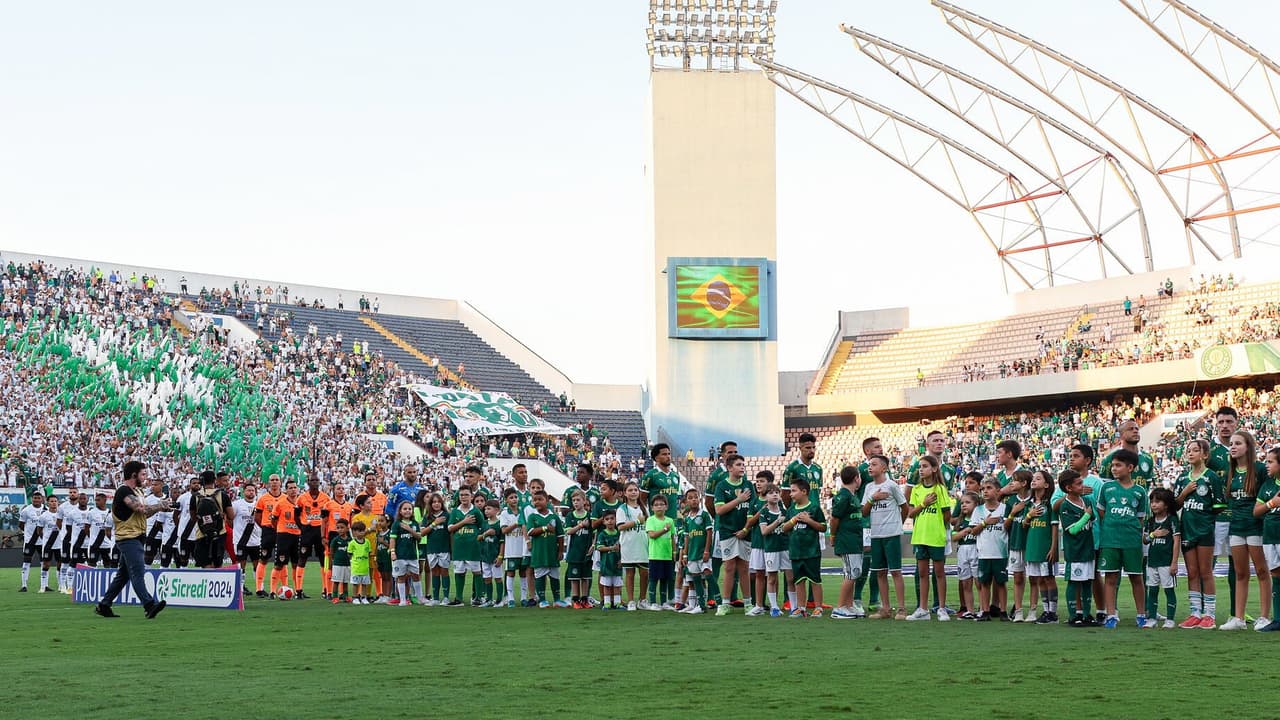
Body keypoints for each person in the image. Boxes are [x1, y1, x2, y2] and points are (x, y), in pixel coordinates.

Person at [94, 461, 172, 619]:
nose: (145, 477)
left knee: (123, 575)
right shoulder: (124, 491)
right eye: (143, 474)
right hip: (129, 538)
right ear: (134, 475)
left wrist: (160, 507)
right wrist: (160, 505)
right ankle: (149, 605)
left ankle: (104, 605)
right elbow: (141, 509)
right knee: (138, 572)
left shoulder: (137, 492)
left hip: (135, 536)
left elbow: (143, 513)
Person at [1222, 430, 1269, 630]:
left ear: (1248, 447)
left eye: (1238, 443)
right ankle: (1238, 618)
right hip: (1236, 527)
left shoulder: (1259, 469)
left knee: (1261, 571)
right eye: (1231, 443)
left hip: (1256, 527)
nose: (1233, 446)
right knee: (1240, 573)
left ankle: (1264, 616)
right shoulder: (1231, 470)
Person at [1096, 449, 1148, 629]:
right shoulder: (1107, 488)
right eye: (1113, 465)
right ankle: (1111, 615)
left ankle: (1141, 614)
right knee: (1110, 577)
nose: (1114, 469)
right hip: (1110, 540)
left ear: (1130, 467)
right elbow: (1102, 512)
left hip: (1132, 541)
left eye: (1118, 465)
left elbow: (1140, 518)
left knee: (1136, 577)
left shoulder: (1140, 491)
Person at [1176, 439, 1223, 628]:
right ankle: (1195, 612)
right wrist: (1185, 492)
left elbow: (1218, 506)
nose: (1190, 453)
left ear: (1204, 455)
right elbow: (1175, 504)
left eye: (1195, 450)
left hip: (1204, 530)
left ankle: (1209, 614)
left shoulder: (1211, 477)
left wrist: (1204, 519)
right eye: (1188, 450)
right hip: (1187, 529)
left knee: (1205, 572)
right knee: (1192, 572)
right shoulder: (1182, 479)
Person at [862, 454, 907, 620]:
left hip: (892, 534)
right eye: (869, 464)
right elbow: (864, 512)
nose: (870, 467)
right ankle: (886, 608)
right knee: (880, 572)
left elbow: (905, 507)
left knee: (895, 571)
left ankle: (901, 608)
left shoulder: (892, 486)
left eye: (874, 464)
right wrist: (873, 499)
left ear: (884, 468)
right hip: (876, 535)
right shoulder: (868, 488)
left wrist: (898, 524)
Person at [906, 455, 951, 621]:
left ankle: (941, 608)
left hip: (936, 537)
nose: (921, 469)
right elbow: (910, 513)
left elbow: (947, 514)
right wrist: (924, 504)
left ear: (934, 469)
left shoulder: (940, 489)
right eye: (920, 466)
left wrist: (936, 526)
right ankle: (923, 609)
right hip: (919, 536)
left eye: (925, 466)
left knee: (939, 573)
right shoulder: (916, 490)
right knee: (923, 573)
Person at [713, 454, 755, 616]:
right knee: (729, 567)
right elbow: (719, 510)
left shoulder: (748, 485)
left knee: (744, 567)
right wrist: (739, 500)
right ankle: (724, 604)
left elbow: (752, 510)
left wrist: (746, 529)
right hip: (727, 532)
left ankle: (748, 604)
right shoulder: (722, 486)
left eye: (743, 464)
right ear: (729, 468)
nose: (742, 467)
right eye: (738, 464)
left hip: (745, 532)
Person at [782, 478, 826, 619]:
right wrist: (794, 520)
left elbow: (823, 527)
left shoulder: (814, 508)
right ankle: (801, 608)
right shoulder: (791, 510)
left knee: (815, 580)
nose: (790, 494)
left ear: (804, 491)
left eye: (794, 491)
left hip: (811, 552)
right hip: (796, 552)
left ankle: (818, 607)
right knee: (798, 581)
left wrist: (809, 521)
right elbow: (784, 528)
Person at [1058, 469, 1097, 627]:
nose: (1083, 486)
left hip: (1088, 549)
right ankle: (1074, 615)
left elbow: (1092, 519)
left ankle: (1086, 614)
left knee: (1088, 582)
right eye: (1079, 483)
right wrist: (1086, 515)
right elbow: (1073, 530)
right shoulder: (1065, 506)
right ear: (1069, 488)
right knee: (1074, 582)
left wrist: (1088, 515)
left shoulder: (1086, 501)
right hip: (1075, 551)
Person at [971, 478, 1009, 621]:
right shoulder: (978, 510)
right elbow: (973, 531)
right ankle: (985, 610)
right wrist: (984, 523)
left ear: (998, 491)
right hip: (984, 553)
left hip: (1000, 552)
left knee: (1001, 582)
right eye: (983, 489)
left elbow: (1008, 528)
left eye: (989, 488)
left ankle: (1003, 611)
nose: (985, 491)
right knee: (984, 582)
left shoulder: (1004, 509)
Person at [830, 466, 864, 619]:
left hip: (854, 540)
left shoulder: (852, 495)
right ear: (856, 478)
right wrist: (833, 535)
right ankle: (840, 607)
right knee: (852, 573)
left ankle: (849, 605)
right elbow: (835, 518)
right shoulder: (843, 496)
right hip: (847, 540)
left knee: (853, 573)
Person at [1143, 488, 1180, 629]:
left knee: (1168, 590)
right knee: (1152, 590)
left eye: (1157, 502)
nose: (1153, 504)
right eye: (1152, 501)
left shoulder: (1172, 520)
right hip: (1152, 561)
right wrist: (1153, 534)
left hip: (1166, 561)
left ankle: (1170, 619)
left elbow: (1176, 541)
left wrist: (1174, 562)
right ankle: (1152, 618)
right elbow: (1145, 540)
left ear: (1166, 505)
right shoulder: (1150, 521)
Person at [1253, 447, 1280, 632]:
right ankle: (1278, 619)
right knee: (1276, 576)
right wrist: (1272, 503)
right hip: (1270, 538)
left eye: (1270, 462)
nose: (1266, 465)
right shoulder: (1268, 485)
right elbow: (1256, 511)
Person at [752, 483, 789, 617]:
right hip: (771, 549)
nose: (775, 495)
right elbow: (764, 531)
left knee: (790, 578)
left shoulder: (785, 511)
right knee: (771, 578)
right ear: (765, 496)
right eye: (771, 493)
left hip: (785, 547)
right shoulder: (764, 512)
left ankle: (795, 606)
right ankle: (774, 607)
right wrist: (778, 522)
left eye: (777, 493)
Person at [1002, 470, 1033, 622]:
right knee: (1018, 578)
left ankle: (1033, 610)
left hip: (1031, 544)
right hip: (1015, 544)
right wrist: (1012, 513)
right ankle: (1018, 611)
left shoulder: (1033, 500)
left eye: (1014, 481)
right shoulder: (1011, 501)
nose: (1011, 484)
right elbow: (1005, 526)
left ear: (1024, 483)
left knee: (1034, 578)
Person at [526, 490, 565, 608]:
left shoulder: (554, 517)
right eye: (535, 500)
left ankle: (557, 600)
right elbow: (531, 532)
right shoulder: (533, 517)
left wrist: (560, 551)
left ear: (547, 501)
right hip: (539, 552)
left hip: (552, 552)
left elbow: (560, 536)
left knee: (554, 576)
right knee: (540, 576)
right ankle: (542, 600)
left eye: (540, 499)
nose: (537, 502)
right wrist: (545, 528)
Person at [448, 486, 486, 607]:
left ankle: (478, 597)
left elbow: (482, 527)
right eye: (461, 495)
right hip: (459, 547)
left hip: (473, 547)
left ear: (471, 496)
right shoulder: (455, 511)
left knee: (477, 571)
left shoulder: (476, 511)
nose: (464, 497)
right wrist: (464, 522)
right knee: (459, 572)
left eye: (466, 495)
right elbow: (450, 528)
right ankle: (458, 598)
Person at [294, 475, 332, 599]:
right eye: (312, 480)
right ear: (308, 482)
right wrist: (302, 528)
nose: (314, 482)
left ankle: (326, 589)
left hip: (320, 531)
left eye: (316, 480)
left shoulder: (326, 498)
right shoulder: (301, 498)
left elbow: (327, 518)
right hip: (307, 531)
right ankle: (298, 590)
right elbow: (296, 515)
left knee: (323, 560)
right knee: (302, 559)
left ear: (319, 482)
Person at [678, 489, 712, 615]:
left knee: (702, 580)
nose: (693, 500)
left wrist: (707, 551)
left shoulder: (704, 515)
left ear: (700, 499)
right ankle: (692, 605)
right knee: (691, 580)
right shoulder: (687, 519)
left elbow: (709, 533)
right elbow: (687, 538)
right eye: (690, 498)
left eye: (695, 497)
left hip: (701, 553)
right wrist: (685, 554)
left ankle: (701, 604)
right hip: (691, 555)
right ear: (686, 501)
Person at [191, 470, 234, 569]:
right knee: (217, 564)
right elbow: (231, 516)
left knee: (205, 564)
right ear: (214, 480)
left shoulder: (195, 496)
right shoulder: (222, 495)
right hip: (219, 533)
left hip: (201, 533)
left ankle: (206, 583)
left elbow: (193, 518)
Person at [267, 480, 303, 599]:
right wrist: (280, 528)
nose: (293, 490)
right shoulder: (280, 504)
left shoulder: (301, 503)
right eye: (290, 488)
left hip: (297, 535)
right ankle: (272, 591)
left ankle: (298, 591)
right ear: (286, 490)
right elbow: (273, 520)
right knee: (279, 564)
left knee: (296, 564)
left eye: (294, 487)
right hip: (283, 536)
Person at [617, 480, 649, 611]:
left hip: (643, 545)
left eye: (635, 490)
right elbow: (620, 527)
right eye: (630, 490)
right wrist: (636, 522)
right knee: (630, 573)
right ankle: (631, 601)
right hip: (628, 545)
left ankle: (642, 599)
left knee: (645, 573)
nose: (633, 492)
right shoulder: (622, 508)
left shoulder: (644, 508)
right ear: (625, 493)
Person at [252, 475, 285, 598]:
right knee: (264, 558)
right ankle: (259, 588)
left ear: (280, 482)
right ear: (268, 483)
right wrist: (265, 526)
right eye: (272, 480)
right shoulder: (263, 499)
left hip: (282, 531)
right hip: (268, 531)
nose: (274, 482)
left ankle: (283, 587)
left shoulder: (285, 498)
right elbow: (257, 516)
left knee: (282, 559)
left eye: (277, 480)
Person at [388, 500, 425, 607]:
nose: (407, 511)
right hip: (400, 556)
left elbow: (419, 538)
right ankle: (403, 599)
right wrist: (393, 552)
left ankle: (420, 598)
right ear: (400, 511)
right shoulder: (396, 524)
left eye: (409, 509)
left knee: (416, 576)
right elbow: (392, 539)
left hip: (412, 555)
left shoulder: (414, 524)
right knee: (401, 577)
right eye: (405, 509)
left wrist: (410, 530)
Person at [644, 495, 676, 610]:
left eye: (661, 504)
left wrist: (674, 551)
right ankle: (652, 602)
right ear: (652, 508)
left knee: (665, 579)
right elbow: (652, 535)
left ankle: (664, 602)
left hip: (667, 555)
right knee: (653, 579)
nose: (659, 507)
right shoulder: (650, 520)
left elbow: (672, 537)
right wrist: (664, 529)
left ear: (666, 506)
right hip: (655, 555)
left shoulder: (670, 521)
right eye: (656, 505)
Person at [952, 492, 981, 619]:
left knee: (979, 582)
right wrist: (964, 531)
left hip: (976, 550)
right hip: (962, 551)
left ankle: (982, 608)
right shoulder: (961, 521)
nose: (964, 505)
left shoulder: (979, 519)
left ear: (976, 504)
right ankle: (970, 610)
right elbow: (953, 537)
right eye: (962, 503)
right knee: (965, 583)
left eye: (968, 502)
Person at [564, 490, 594, 609]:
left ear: (584, 501)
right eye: (574, 500)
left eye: (578, 500)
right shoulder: (570, 516)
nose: (576, 503)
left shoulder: (590, 516)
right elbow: (569, 531)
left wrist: (593, 545)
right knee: (574, 578)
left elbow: (594, 532)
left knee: (585, 577)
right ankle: (575, 600)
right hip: (574, 552)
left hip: (586, 552)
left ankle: (585, 599)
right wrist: (580, 525)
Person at [499, 488, 529, 608]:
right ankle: (510, 598)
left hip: (522, 549)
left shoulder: (523, 511)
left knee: (523, 573)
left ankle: (523, 597)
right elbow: (504, 530)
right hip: (511, 550)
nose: (514, 499)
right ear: (506, 500)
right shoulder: (505, 513)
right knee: (510, 573)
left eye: (515, 497)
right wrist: (516, 524)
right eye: (511, 498)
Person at [231, 483, 262, 594]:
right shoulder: (236, 504)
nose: (251, 492)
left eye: (253, 490)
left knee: (257, 565)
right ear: (244, 492)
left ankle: (260, 589)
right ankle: (240, 588)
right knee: (241, 565)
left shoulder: (259, 504)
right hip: (241, 540)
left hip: (256, 540)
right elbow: (229, 519)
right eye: (248, 490)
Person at [422, 493, 451, 605]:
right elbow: (422, 533)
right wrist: (434, 523)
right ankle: (435, 598)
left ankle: (446, 597)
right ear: (430, 504)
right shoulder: (428, 516)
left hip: (444, 547)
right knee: (434, 572)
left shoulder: (447, 515)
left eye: (438, 502)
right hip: (431, 548)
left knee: (444, 571)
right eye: (434, 502)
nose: (436, 504)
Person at [640, 444, 682, 515]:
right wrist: (646, 515)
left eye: (669, 454)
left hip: (672, 520)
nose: (668, 456)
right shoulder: (650, 475)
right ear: (656, 458)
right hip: (656, 520)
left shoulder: (676, 475)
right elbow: (642, 500)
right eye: (664, 454)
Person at [18, 490, 45, 592]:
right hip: (30, 541)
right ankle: (24, 585)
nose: (36, 500)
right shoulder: (26, 510)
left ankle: (44, 585)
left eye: (38, 498)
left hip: (43, 541)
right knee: (26, 562)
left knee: (44, 563)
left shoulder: (46, 509)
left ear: (41, 499)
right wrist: (27, 533)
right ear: (32, 499)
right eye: (35, 498)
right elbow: (21, 524)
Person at [596, 511, 624, 610]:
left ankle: (617, 603)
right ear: (603, 522)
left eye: (612, 518)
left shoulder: (620, 533)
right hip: (606, 564)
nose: (610, 521)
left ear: (616, 520)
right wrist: (611, 548)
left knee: (617, 585)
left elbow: (623, 547)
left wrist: (622, 559)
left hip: (617, 564)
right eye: (607, 519)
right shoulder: (602, 534)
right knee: (607, 585)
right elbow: (599, 547)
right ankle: (607, 603)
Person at [479, 500, 503, 608]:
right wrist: (486, 534)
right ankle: (489, 599)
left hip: (495, 556)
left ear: (497, 510)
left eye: (489, 508)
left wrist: (500, 556)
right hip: (485, 556)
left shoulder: (499, 524)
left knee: (497, 578)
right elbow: (478, 538)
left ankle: (499, 600)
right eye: (485, 509)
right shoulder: (484, 524)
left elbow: (502, 542)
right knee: (487, 578)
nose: (486, 511)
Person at [347, 520, 374, 604]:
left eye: (362, 531)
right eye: (359, 531)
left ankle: (364, 597)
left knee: (364, 584)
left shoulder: (367, 542)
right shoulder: (352, 543)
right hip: (356, 568)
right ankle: (355, 597)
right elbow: (349, 554)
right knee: (355, 584)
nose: (361, 533)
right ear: (354, 532)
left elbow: (369, 553)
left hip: (365, 568)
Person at [328, 519, 353, 604]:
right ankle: (335, 596)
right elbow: (331, 552)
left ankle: (345, 596)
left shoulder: (350, 540)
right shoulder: (335, 540)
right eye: (338, 528)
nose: (340, 529)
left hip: (347, 563)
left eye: (342, 527)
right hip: (337, 564)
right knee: (336, 581)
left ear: (347, 528)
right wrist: (330, 563)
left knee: (345, 581)